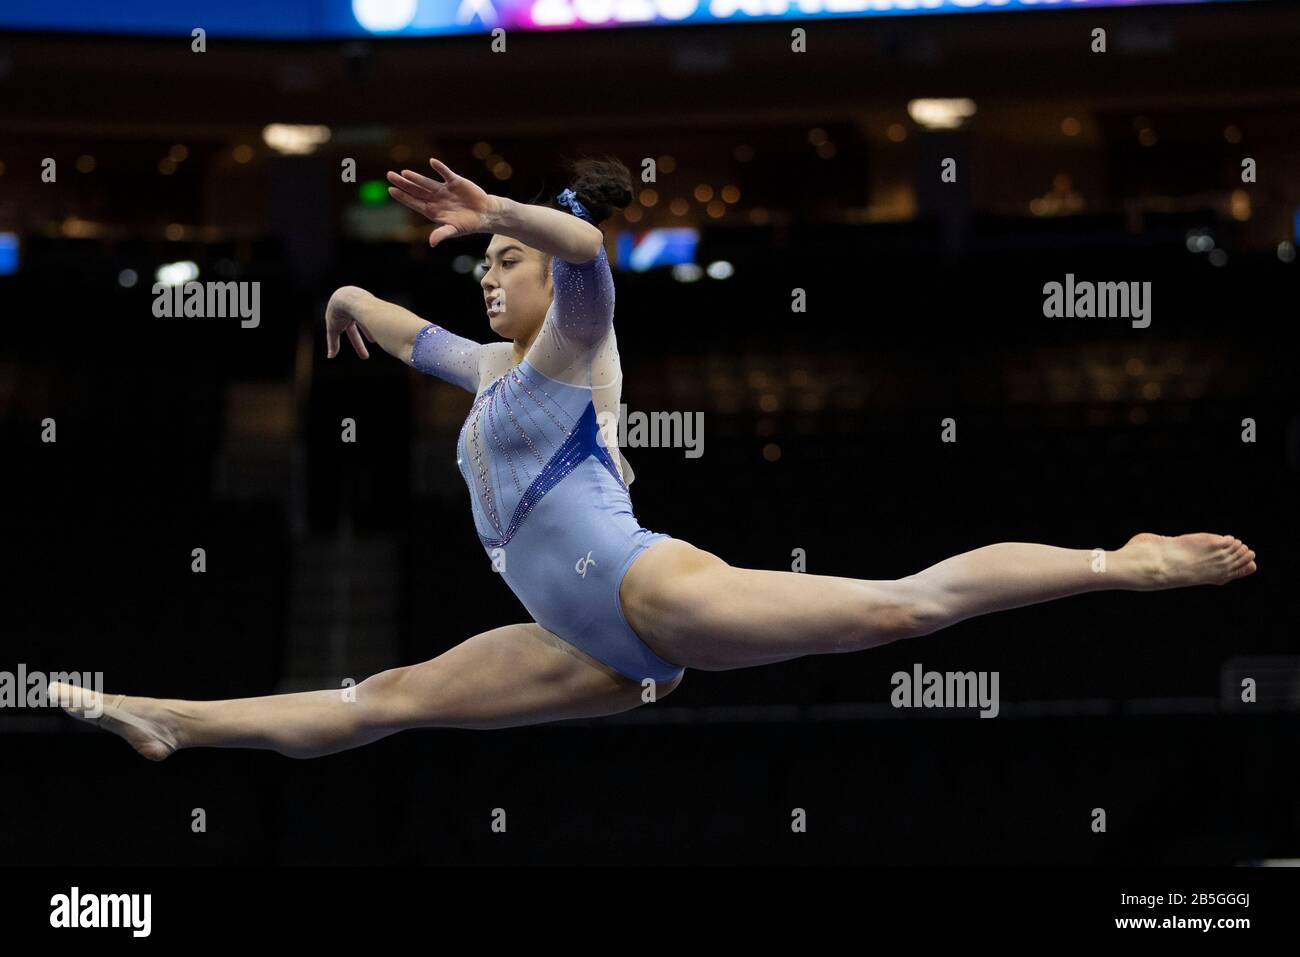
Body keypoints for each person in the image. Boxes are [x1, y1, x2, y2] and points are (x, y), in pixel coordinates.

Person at [50, 155, 1257, 761]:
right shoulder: (490, 374)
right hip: (581, 646)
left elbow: (582, 247)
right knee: (387, 702)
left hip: (640, 586)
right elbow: (401, 325)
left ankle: (1124, 560)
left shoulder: (580, 338)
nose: (487, 272)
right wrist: (351, 294)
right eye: (482, 264)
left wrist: (506, 214)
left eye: (499, 263)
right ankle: (162, 718)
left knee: (896, 611)